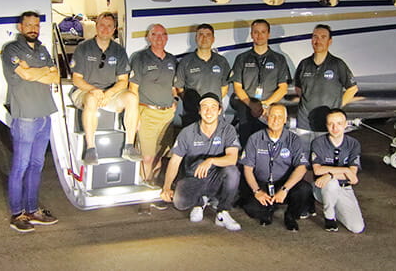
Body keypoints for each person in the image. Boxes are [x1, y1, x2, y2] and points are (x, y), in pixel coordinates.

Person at [1, 11, 60, 233]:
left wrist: (35, 71)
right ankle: (17, 214)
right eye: (28, 25)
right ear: (20, 27)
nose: (33, 28)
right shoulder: (12, 49)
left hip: (45, 115)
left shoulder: (43, 49)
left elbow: (56, 76)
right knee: (20, 166)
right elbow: (24, 76)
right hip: (25, 116)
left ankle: (33, 210)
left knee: (37, 165)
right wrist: (42, 71)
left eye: (36, 25)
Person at [160, 93, 242, 231]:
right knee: (180, 202)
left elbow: (232, 158)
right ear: (199, 110)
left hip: (216, 177)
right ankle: (200, 202)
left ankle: (223, 212)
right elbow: (174, 162)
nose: (209, 112)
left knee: (232, 171)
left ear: (219, 110)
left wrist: (210, 161)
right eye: (205, 107)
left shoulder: (228, 130)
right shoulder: (187, 132)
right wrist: (166, 186)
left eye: (213, 107)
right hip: (194, 177)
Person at [69, 12, 141, 165]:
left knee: (132, 98)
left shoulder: (119, 50)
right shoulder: (83, 48)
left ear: (114, 29)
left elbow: (123, 80)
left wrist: (109, 93)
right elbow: (76, 79)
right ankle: (90, 149)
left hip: (110, 93)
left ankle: (129, 146)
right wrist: (94, 90)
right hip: (85, 91)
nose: (105, 29)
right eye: (102, 25)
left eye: (109, 26)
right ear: (96, 27)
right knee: (91, 98)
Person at [240, 104, 312, 231]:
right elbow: (247, 168)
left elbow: (301, 167)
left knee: (304, 189)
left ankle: (290, 216)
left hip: (284, 183)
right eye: (272, 116)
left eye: (280, 117)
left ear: (285, 120)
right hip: (262, 183)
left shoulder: (293, 139)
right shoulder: (255, 138)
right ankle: (268, 210)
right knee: (252, 209)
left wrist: (285, 189)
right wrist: (257, 191)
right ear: (266, 117)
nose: (275, 120)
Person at [294, 24, 358, 152]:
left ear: (330, 41)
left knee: (323, 161)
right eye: (315, 37)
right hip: (304, 124)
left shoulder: (337, 64)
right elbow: (298, 88)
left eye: (323, 37)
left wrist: (337, 108)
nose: (318, 41)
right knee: (302, 162)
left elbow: (352, 88)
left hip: (327, 125)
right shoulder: (304, 64)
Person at [129, 24, 177, 187]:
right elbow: (133, 90)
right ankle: (145, 197)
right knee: (147, 157)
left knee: (159, 156)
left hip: (167, 116)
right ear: (148, 37)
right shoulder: (140, 58)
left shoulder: (171, 60)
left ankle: (153, 187)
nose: (159, 38)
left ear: (167, 37)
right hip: (147, 113)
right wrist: (134, 117)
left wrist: (175, 101)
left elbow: (173, 88)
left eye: (163, 34)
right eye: (154, 34)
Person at [230, 19, 290, 144]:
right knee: (247, 145)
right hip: (246, 110)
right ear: (251, 34)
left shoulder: (279, 59)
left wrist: (265, 105)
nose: (259, 35)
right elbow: (237, 87)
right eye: (256, 32)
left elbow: (283, 88)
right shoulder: (241, 58)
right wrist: (252, 105)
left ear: (269, 34)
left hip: (269, 111)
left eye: (263, 32)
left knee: (268, 145)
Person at [311, 109, 365, 233]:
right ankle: (329, 217)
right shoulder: (318, 143)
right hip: (322, 187)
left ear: (346, 124)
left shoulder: (353, 144)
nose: (335, 128)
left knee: (357, 228)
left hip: (344, 188)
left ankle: (337, 208)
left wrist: (330, 174)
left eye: (339, 123)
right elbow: (318, 170)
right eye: (331, 124)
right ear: (326, 125)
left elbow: (353, 177)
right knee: (331, 184)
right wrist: (345, 171)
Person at [174, 23, 230, 127]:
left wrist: (210, 104)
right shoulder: (185, 61)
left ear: (213, 39)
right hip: (191, 115)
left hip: (214, 115)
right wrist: (193, 104)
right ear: (196, 38)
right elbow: (179, 89)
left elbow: (225, 88)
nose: (204, 38)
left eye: (208, 35)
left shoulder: (221, 61)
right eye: (201, 35)